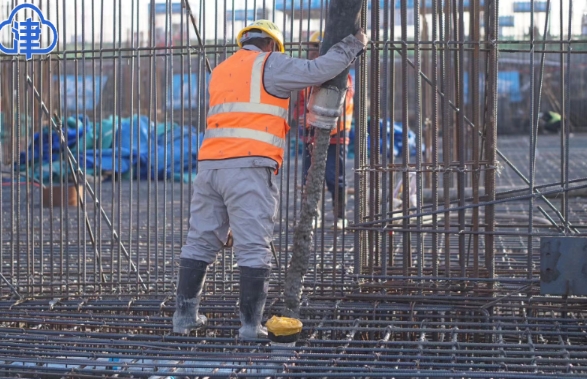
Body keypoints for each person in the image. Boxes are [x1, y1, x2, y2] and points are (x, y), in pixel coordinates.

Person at [173, 20, 368, 340]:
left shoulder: (221, 70)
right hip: (249, 166)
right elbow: (319, 69)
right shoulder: (270, 63)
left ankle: (184, 318)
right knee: (253, 247)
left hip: (209, 168)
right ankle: (251, 327)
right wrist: (352, 45)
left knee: (200, 241)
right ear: (271, 45)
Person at [294, 31, 355, 230]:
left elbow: (339, 105)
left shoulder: (340, 73)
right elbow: (301, 105)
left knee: (333, 176)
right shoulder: (308, 74)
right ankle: (313, 215)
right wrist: (302, 117)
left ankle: (340, 216)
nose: (312, 52)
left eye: (316, 48)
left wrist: (311, 117)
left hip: (335, 133)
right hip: (311, 135)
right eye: (311, 48)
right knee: (309, 177)